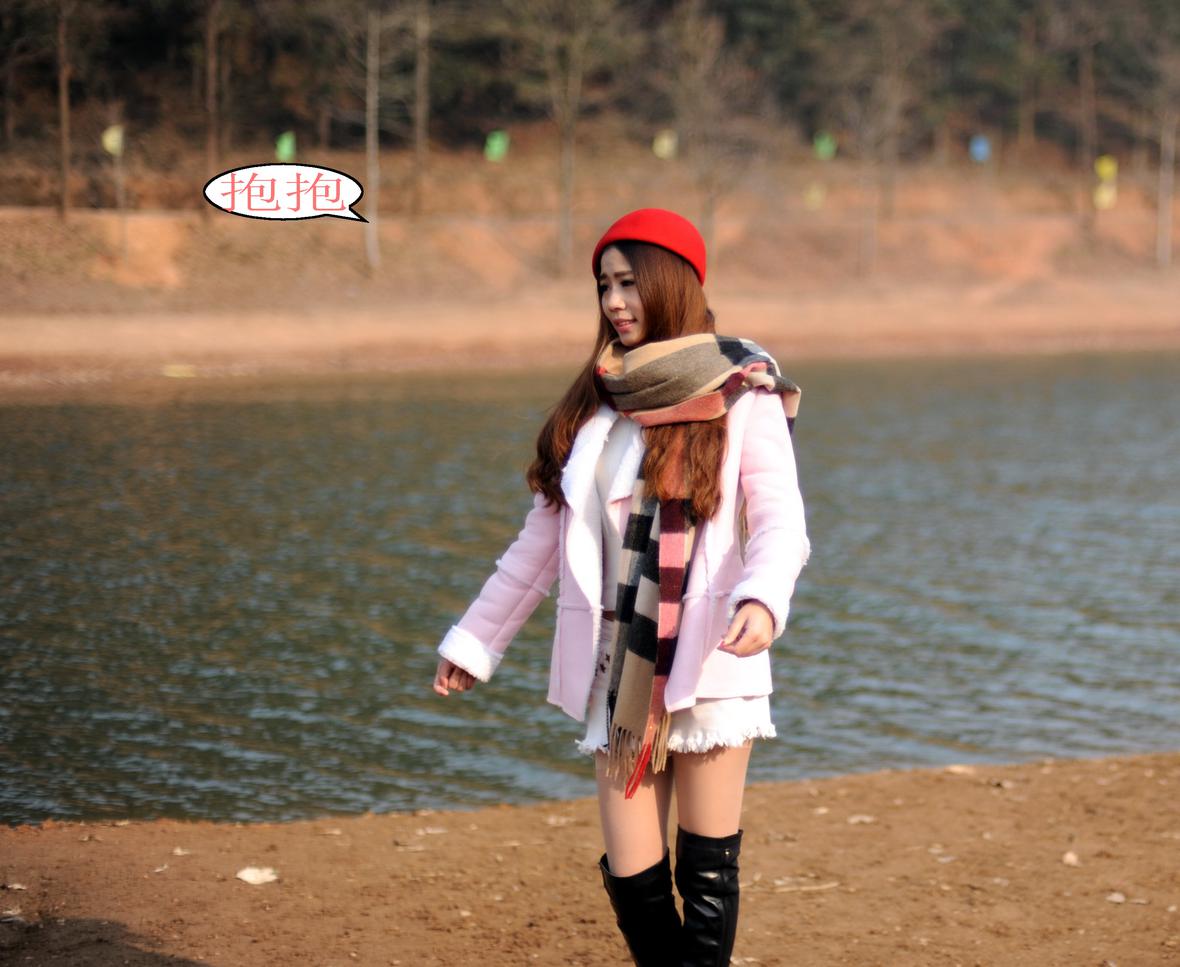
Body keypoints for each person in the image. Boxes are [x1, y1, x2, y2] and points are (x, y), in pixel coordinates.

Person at [432, 208, 809, 966]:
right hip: (619, 667)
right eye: (604, 285)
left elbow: (780, 518)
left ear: (671, 284)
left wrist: (763, 598)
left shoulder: (743, 391)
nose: (613, 301)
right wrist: (475, 640)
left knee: (706, 874)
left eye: (629, 282)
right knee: (635, 879)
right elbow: (538, 544)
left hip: (711, 656)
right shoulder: (598, 404)